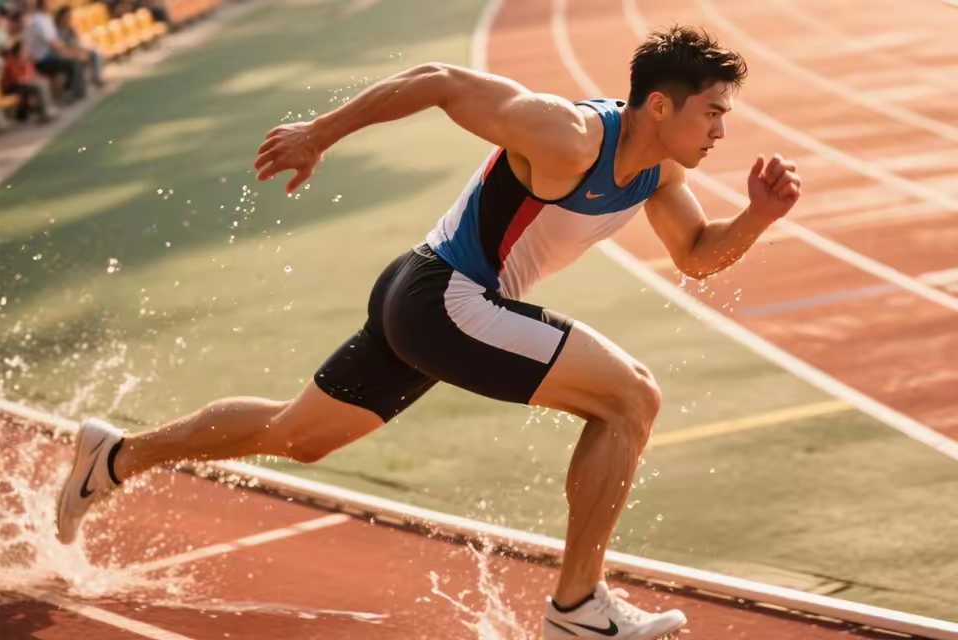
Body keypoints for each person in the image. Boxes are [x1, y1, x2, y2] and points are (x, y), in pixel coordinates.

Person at [56, 25, 801, 639]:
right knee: (631, 398)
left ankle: (116, 456)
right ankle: (576, 608)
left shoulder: (658, 175)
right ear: (662, 108)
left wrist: (758, 217)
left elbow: (699, 257)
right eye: (712, 113)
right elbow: (442, 79)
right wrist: (321, 132)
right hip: (444, 296)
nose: (722, 131)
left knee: (298, 435)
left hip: (427, 300)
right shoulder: (569, 135)